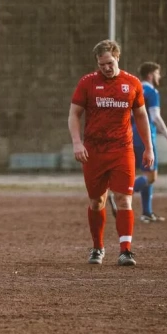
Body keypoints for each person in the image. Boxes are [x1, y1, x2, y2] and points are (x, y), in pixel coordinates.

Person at [68, 40, 154, 267]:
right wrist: (77, 143)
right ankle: (97, 248)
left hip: (122, 149)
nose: (106, 67)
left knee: (124, 199)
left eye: (109, 63)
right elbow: (74, 114)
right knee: (97, 202)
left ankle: (126, 250)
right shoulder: (87, 83)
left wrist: (148, 147)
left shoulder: (132, 83)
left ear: (118, 58)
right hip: (94, 152)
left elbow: (142, 116)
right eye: (101, 64)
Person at [125, 62, 167, 223]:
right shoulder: (152, 91)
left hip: (131, 135)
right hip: (146, 136)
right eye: (157, 73)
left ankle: (147, 212)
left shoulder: (134, 89)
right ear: (150, 75)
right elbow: (155, 117)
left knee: (146, 174)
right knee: (151, 177)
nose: (159, 76)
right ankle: (121, 194)